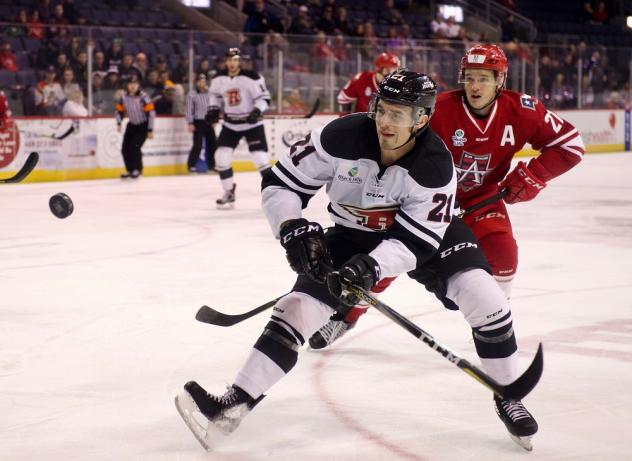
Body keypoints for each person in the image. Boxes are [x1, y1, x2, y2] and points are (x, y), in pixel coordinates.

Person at [175, 70, 539, 452]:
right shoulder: (340, 136)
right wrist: (292, 229)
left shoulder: (435, 165)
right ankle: (233, 405)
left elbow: (414, 242)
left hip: (428, 237)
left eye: (399, 114)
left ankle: (509, 394)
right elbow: (282, 184)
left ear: (422, 119)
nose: (385, 121)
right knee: (296, 310)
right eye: (383, 109)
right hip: (352, 234)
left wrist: (371, 267)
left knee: (486, 298)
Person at [310, 45, 584, 353]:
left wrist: (533, 175)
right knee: (386, 263)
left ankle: (493, 320)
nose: (475, 86)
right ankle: (346, 316)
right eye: (469, 77)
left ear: (500, 81)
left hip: (482, 199)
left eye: (483, 78)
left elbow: (571, 144)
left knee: (504, 255)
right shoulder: (437, 109)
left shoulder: (523, 110)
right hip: (424, 202)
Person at [206, 47, 271, 208]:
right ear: (226, 61)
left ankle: (275, 191)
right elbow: (214, 95)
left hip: (252, 124)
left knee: (260, 159)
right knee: (221, 157)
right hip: (230, 124)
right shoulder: (218, 78)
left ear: (239, 61)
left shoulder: (252, 77)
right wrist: (213, 109)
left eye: (235, 60)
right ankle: (228, 192)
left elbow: (264, 98)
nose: (232, 63)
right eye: (229, 60)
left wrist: (257, 111)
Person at [115, 75, 155, 179]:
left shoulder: (144, 97)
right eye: (130, 84)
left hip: (143, 126)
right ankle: (130, 170)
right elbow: (119, 110)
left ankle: (138, 169)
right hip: (131, 125)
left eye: (135, 84)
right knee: (124, 149)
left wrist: (150, 129)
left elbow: (151, 113)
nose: (132, 86)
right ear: (127, 85)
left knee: (134, 147)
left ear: (138, 85)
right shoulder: (124, 97)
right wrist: (119, 123)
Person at [186, 73, 216, 173]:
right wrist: (190, 123)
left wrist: (214, 120)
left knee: (213, 144)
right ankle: (191, 165)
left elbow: (213, 106)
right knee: (197, 145)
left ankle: (212, 165)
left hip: (209, 121)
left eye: (203, 81)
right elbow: (189, 110)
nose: (202, 83)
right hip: (198, 122)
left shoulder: (210, 93)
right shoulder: (192, 94)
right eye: (200, 81)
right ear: (197, 83)